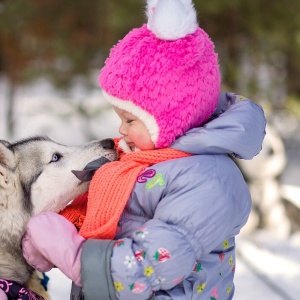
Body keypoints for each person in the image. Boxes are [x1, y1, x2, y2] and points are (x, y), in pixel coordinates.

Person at [21, 0, 266, 299]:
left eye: (130, 119)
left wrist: (75, 256)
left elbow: (148, 265)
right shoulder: (138, 163)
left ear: (171, 117)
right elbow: (110, 219)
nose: (121, 129)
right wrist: (58, 233)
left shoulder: (208, 181)